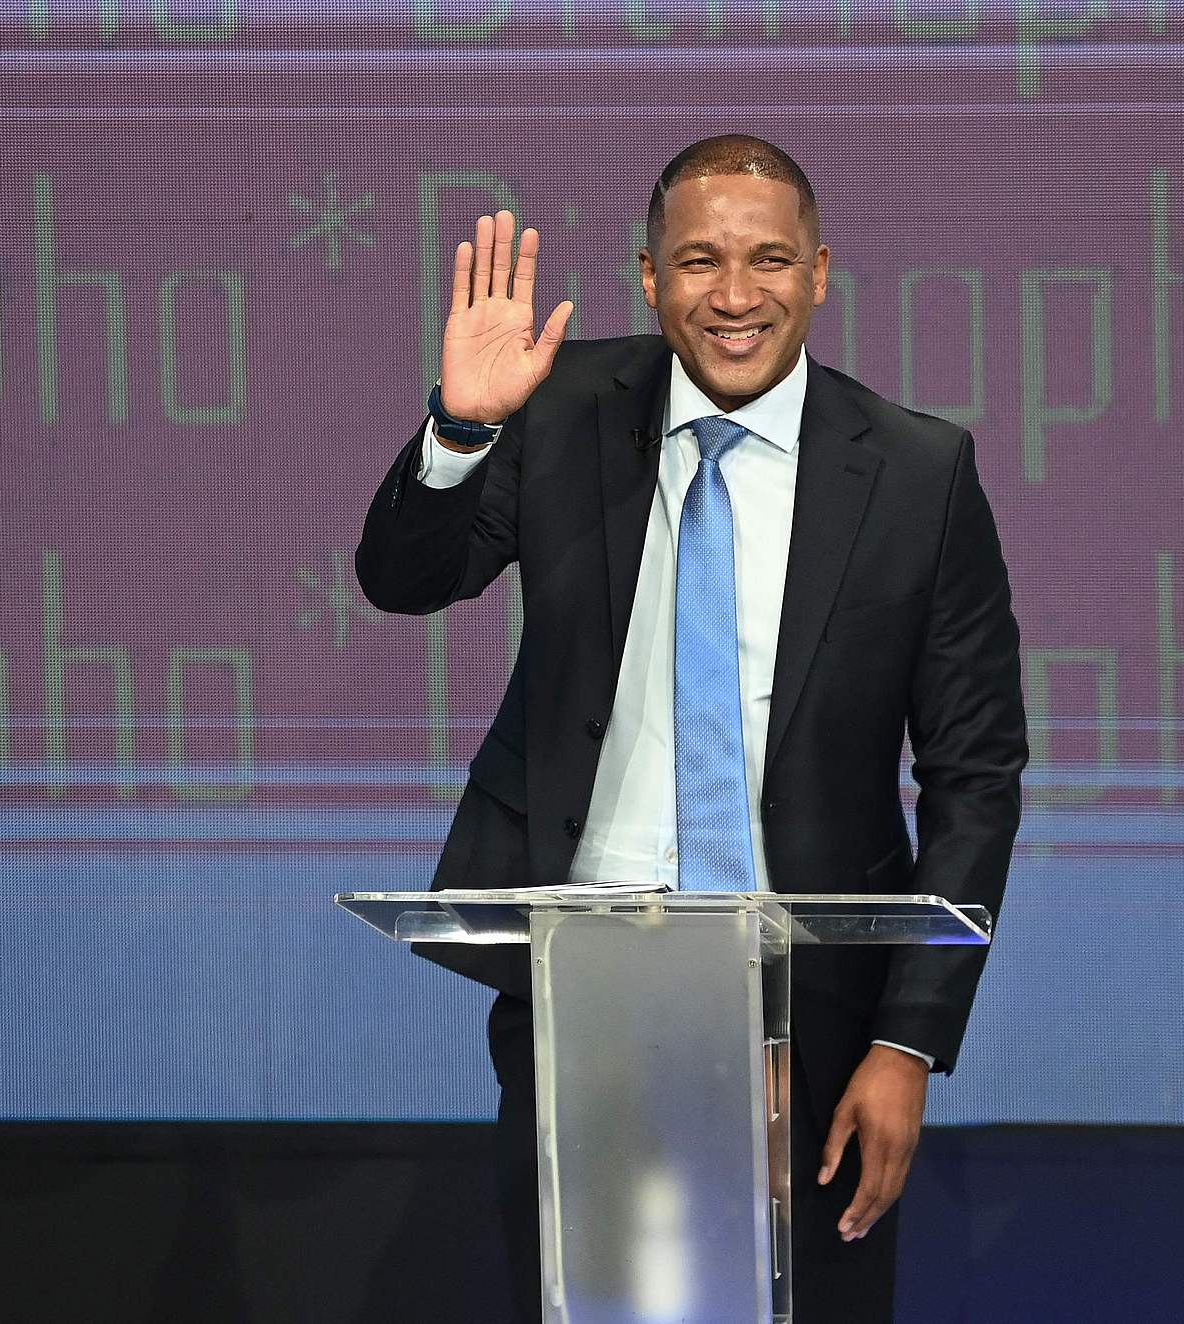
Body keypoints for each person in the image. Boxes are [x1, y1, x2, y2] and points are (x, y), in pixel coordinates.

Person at [354, 134, 1026, 1322]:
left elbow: (974, 775)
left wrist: (910, 1041)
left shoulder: (920, 473)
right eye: (698, 260)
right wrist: (460, 430)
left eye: (768, 259)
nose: (733, 294)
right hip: (584, 988)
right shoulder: (556, 412)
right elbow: (407, 578)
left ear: (818, 272)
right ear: (649, 275)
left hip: (813, 1010)